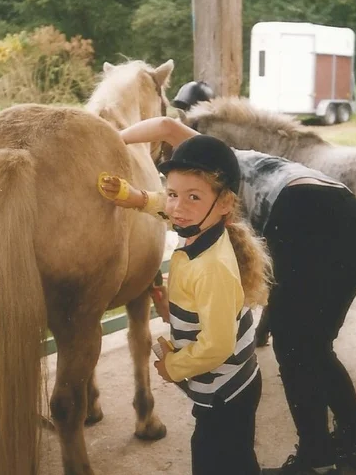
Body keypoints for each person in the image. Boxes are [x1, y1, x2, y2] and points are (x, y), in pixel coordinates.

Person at [118, 82, 356, 474]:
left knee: (297, 348)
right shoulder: (219, 160)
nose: (177, 198)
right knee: (311, 346)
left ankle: (319, 457)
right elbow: (170, 149)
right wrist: (138, 196)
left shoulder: (210, 172)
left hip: (306, 214)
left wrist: (107, 136)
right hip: (348, 215)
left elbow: (176, 169)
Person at [99, 134, 272, 475]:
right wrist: (134, 197)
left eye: (193, 196)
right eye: (173, 193)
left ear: (224, 203)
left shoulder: (213, 267)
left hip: (226, 392)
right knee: (236, 460)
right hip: (227, 386)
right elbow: (167, 208)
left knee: (215, 461)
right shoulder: (199, 228)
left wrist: (173, 367)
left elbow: (218, 345)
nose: (178, 206)